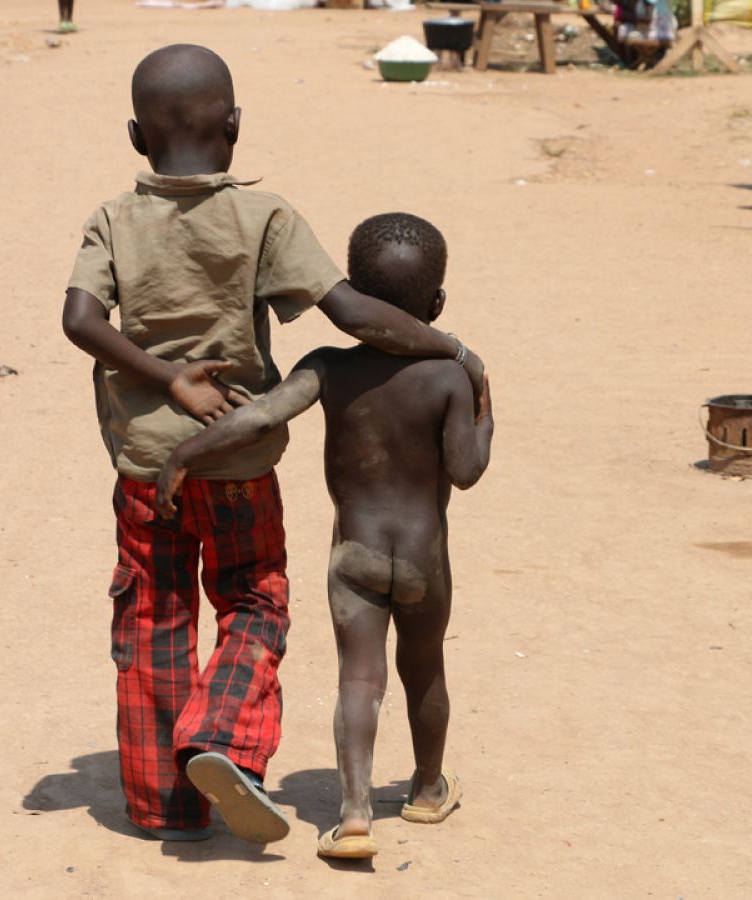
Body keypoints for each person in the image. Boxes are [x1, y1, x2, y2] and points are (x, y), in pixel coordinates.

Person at [61, 45, 484, 846]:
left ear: (134, 135)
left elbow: (81, 322)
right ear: (234, 127)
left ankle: (165, 806)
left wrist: (166, 378)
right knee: (254, 601)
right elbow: (355, 316)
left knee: (154, 618)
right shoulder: (265, 218)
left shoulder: (111, 219)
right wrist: (454, 348)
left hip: (146, 469)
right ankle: (222, 741)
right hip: (239, 469)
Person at [154, 212, 495, 860]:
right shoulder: (451, 377)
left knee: (359, 680)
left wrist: (185, 454)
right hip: (425, 558)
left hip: (354, 554)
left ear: (357, 302)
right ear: (437, 303)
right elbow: (467, 471)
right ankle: (426, 791)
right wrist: (487, 416)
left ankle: (355, 814)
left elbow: (258, 417)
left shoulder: (329, 367)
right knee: (424, 671)